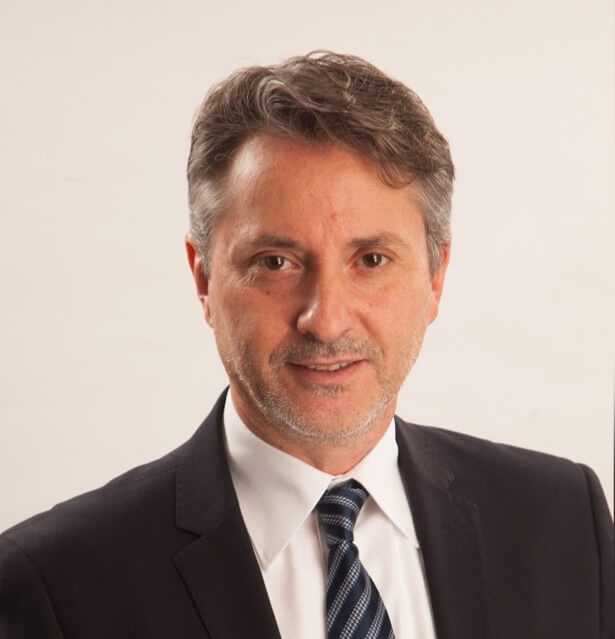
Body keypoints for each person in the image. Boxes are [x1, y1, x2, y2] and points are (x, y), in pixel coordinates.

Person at [0, 52, 612, 639]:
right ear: (204, 278)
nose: (325, 321)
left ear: (435, 278)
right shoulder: (55, 585)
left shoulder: (565, 524)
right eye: (276, 262)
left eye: (372, 260)